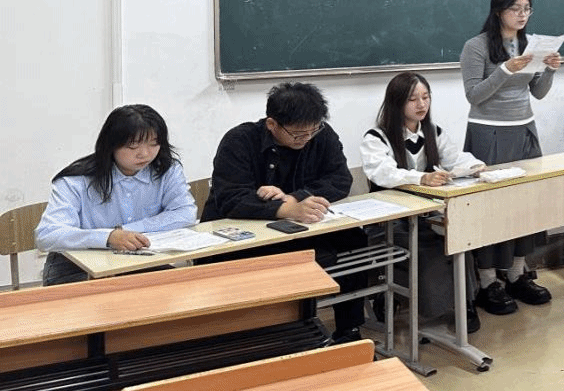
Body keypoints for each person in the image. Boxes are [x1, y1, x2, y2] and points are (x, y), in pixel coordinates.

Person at [202, 81, 367, 343]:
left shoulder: (322, 135)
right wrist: (283, 209)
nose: (306, 138)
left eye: (313, 130)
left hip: (297, 230)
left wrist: (295, 198)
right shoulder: (239, 141)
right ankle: (276, 337)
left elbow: (340, 179)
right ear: (272, 124)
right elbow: (230, 198)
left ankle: (349, 330)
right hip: (240, 237)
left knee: (355, 239)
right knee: (286, 258)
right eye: (297, 134)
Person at [460, 0, 561, 315]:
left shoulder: (529, 44)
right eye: (516, 8)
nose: (522, 14)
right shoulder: (475, 46)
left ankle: (518, 273)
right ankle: (488, 279)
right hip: (489, 133)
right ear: (498, 10)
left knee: (526, 203)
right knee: (492, 206)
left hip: (524, 130)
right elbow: (474, 95)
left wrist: (549, 69)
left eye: (527, 8)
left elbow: (538, 92)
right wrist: (505, 69)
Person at [361, 72, 487, 331]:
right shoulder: (376, 137)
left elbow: (455, 157)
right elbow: (383, 173)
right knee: (426, 248)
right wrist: (422, 178)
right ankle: (416, 303)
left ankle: (464, 303)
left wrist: (475, 166)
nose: (421, 105)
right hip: (390, 220)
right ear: (396, 102)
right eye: (412, 99)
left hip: (425, 215)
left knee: (459, 239)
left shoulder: (433, 131)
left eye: (426, 97)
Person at [36, 105, 197, 286]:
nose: (145, 154)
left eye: (153, 144)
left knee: (184, 286)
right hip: (76, 267)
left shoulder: (166, 170)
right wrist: (108, 238)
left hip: (141, 261)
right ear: (111, 145)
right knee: (116, 294)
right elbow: (47, 234)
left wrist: (126, 231)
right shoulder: (76, 180)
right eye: (133, 146)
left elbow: (185, 213)